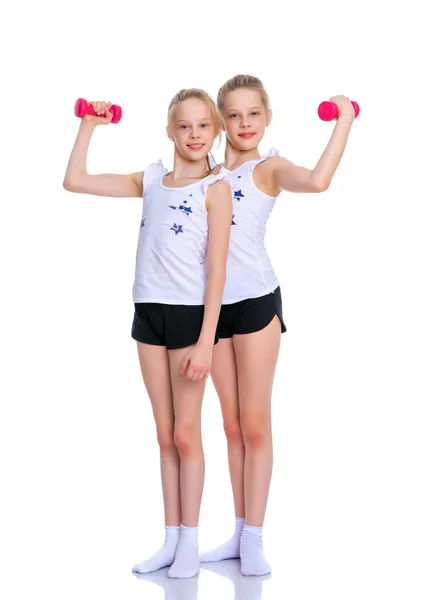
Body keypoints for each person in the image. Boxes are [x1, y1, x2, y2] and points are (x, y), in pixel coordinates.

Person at [63, 89, 233, 579]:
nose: (195, 134)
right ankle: (170, 537)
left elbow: (217, 271)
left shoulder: (215, 189)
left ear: (215, 132)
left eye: (204, 125)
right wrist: (89, 127)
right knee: (164, 434)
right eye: (185, 126)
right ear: (170, 131)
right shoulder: (153, 179)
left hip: (188, 317)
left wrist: (206, 341)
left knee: (186, 433)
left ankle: (192, 541)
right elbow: (75, 180)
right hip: (148, 313)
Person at [200, 75, 356, 576]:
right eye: (234, 115)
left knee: (255, 423)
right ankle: (239, 529)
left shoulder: (270, 169)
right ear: (222, 120)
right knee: (229, 426)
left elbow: (317, 181)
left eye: (254, 114)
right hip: (209, 310)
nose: (244, 124)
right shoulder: (204, 171)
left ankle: (256, 539)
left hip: (254, 304)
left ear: (266, 118)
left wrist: (344, 119)